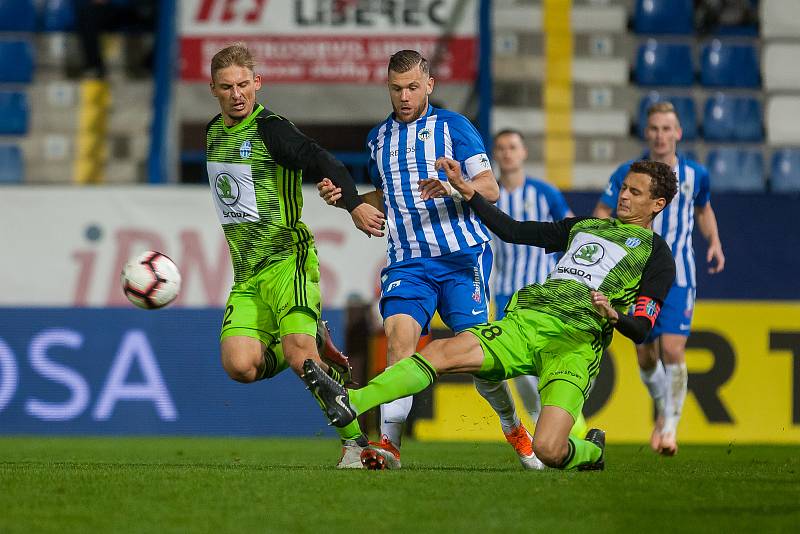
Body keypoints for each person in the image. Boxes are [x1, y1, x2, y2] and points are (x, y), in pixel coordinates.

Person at [303, 159, 678, 470]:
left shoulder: (656, 254)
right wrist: (467, 192)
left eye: (635, 192)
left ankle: (592, 452)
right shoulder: (584, 226)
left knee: (549, 449)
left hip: (575, 344)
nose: (623, 196)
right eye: (624, 187)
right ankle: (351, 402)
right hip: (527, 322)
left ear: (657, 204)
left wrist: (614, 316)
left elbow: (643, 329)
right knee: (438, 352)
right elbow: (512, 231)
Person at [318, 50, 541, 470]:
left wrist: (457, 186)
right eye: (396, 89)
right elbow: (389, 195)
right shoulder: (377, 139)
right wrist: (346, 202)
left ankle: (514, 428)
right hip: (407, 263)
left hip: (461, 259)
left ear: (429, 86)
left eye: (412, 87)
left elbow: (490, 189)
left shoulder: (454, 126)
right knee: (400, 343)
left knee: (482, 359)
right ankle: (389, 445)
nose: (404, 96)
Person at [205, 43, 386, 468]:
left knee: (297, 352)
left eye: (244, 84)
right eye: (227, 86)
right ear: (212, 88)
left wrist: (354, 203)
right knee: (240, 365)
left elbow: (318, 158)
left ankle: (356, 445)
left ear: (258, 83)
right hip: (247, 275)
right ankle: (311, 353)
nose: (237, 94)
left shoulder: (271, 129)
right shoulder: (213, 133)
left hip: (289, 261)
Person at [593, 102, 725, 456]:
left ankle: (669, 428)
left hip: (679, 274)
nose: (661, 135)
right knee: (647, 356)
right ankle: (663, 410)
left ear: (678, 133)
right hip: (637, 275)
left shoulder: (696, 175)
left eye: (667, 128)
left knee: (672, 349)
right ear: (646, 132)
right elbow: (605, 210)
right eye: (654, 128)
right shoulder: (628, 171)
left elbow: (704, 209)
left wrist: (713, 241)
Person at [491, 129, 582, 435]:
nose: (507, 153)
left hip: (541, 293)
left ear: (524, 152)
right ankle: (547, 430)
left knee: (546, 366)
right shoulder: (490, 195)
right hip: (504, 292)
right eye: (501, 147)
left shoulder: (545, 192)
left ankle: (557, 428)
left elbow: (573, 235)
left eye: (513, 146)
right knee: (516, 371)